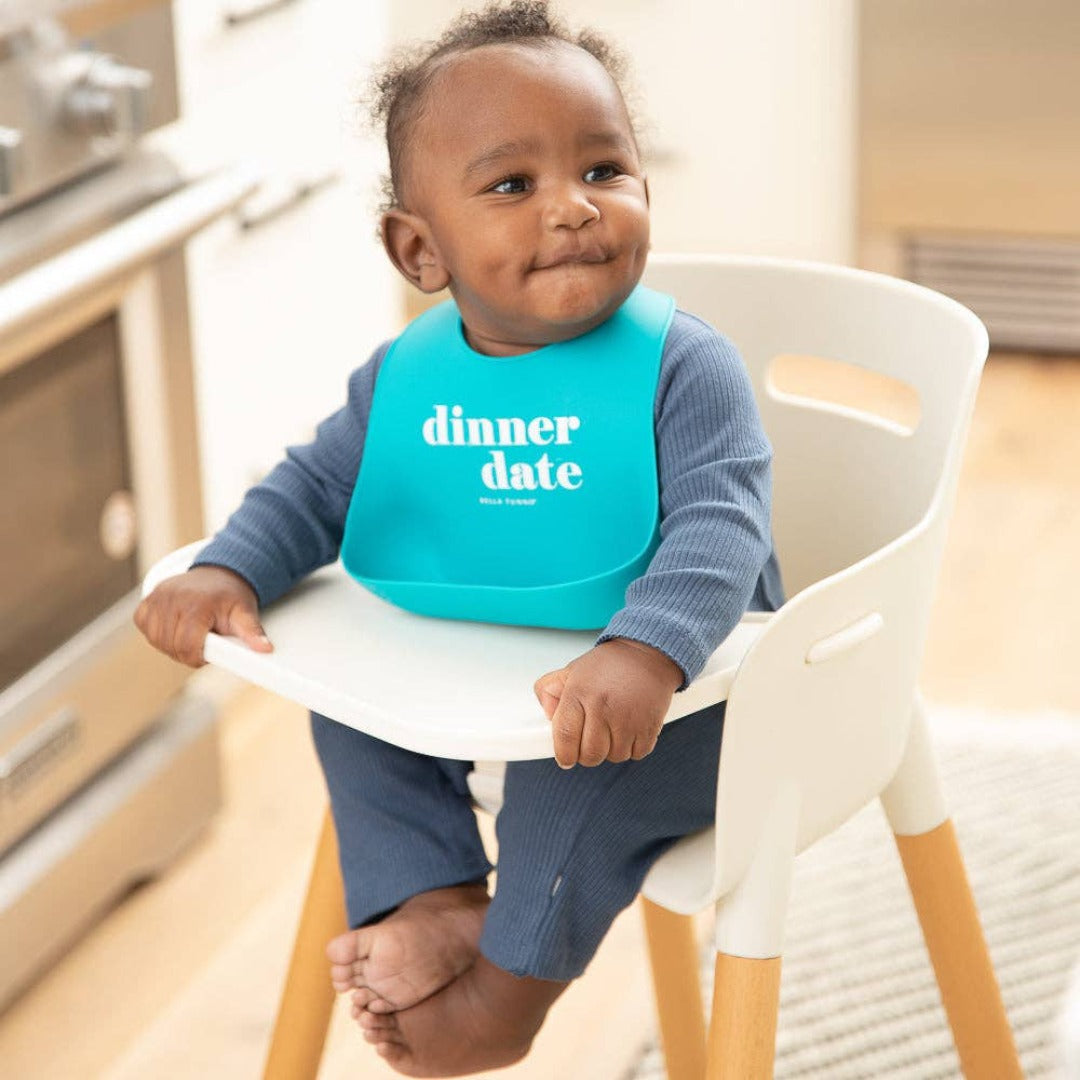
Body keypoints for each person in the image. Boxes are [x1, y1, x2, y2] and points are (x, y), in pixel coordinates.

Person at [134, 1, 785, 1074]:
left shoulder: (684, 367)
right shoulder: (406, 379)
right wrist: (229, 564)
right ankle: (430, 894)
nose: (573, 209)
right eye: (513, 187)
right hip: (483, 659)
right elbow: (315, 486)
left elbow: (721, 525)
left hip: (686, 700)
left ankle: (509, 987)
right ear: (419, 250)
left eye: (603, 171)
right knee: (350, 708)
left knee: (570, 778)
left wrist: (646, 650)